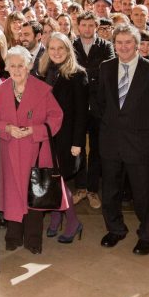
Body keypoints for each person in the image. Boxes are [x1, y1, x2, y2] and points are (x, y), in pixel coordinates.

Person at [0, 46, 64, 254]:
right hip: (9, 151)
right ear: (7, 68)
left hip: (36, 152)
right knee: (12, 196)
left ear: (29, 66)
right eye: (12, 66)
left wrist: (34, 130)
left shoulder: (42, 90)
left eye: (21, 65)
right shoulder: (0, 92)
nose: (17, 70)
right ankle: (13, 236)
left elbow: (56, 117)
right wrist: (6, 128)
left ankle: (33, 240)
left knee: (34, 195)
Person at [96, 25, 149, 256]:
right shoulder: (106, 67)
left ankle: (147, 234)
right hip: (111, 141)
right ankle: (115, 229)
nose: (123, 47)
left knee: (144, 193)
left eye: (128, 42)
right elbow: (99, 103)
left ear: (137, 45)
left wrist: (143, 129)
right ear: (114, 45)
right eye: (119, 42)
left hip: (140, 143)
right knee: (110, 191)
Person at [37, 32, 88, 243]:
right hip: (45, 136)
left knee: (58, 179)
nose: (56, 52)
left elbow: (82, 113)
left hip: (66, 138)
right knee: (52, 178)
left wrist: (77, 143)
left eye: (61, 48)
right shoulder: (43, 72)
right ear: (47, 51)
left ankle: (73, 221)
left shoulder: (78, 75)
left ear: (68, 50)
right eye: (52, 48)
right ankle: (57, 216)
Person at [72, 11, 115, 208]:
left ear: (96, 27)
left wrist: (86, 76)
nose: (87, 29)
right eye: (84, 25)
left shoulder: (106, 46)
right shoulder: (71, 45)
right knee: (78, 146)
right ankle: (80, 187)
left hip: (100, 104)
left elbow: (109, 72)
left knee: (97, 148)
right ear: (78, 26)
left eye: (91, 25)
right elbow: (69, 70)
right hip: (77, 103)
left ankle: (92, 190)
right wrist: (91, 75)